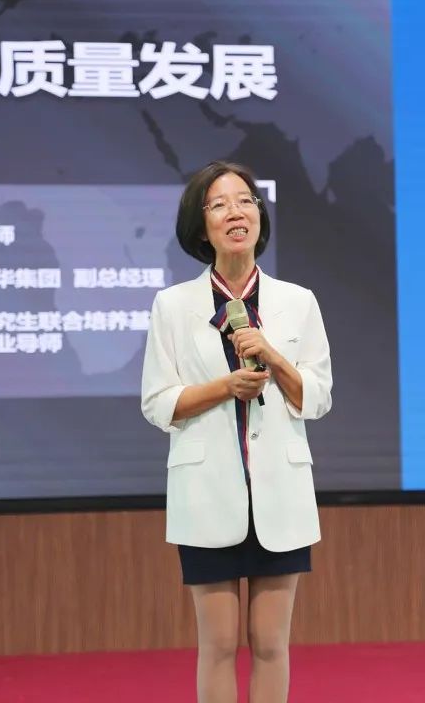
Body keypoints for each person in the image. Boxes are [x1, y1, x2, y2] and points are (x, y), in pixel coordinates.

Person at [141, 160, 333, 703]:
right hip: (207, 493)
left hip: (280, 493)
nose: (236, 212)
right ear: (201, 226)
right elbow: (158, 403)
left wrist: (273, 355)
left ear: (259, 216)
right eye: (220, 204)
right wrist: (226, 387)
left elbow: (317, 398)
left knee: (270, 643)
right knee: (219, 644)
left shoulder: (297, 302)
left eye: (245, 201)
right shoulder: (173, 306)